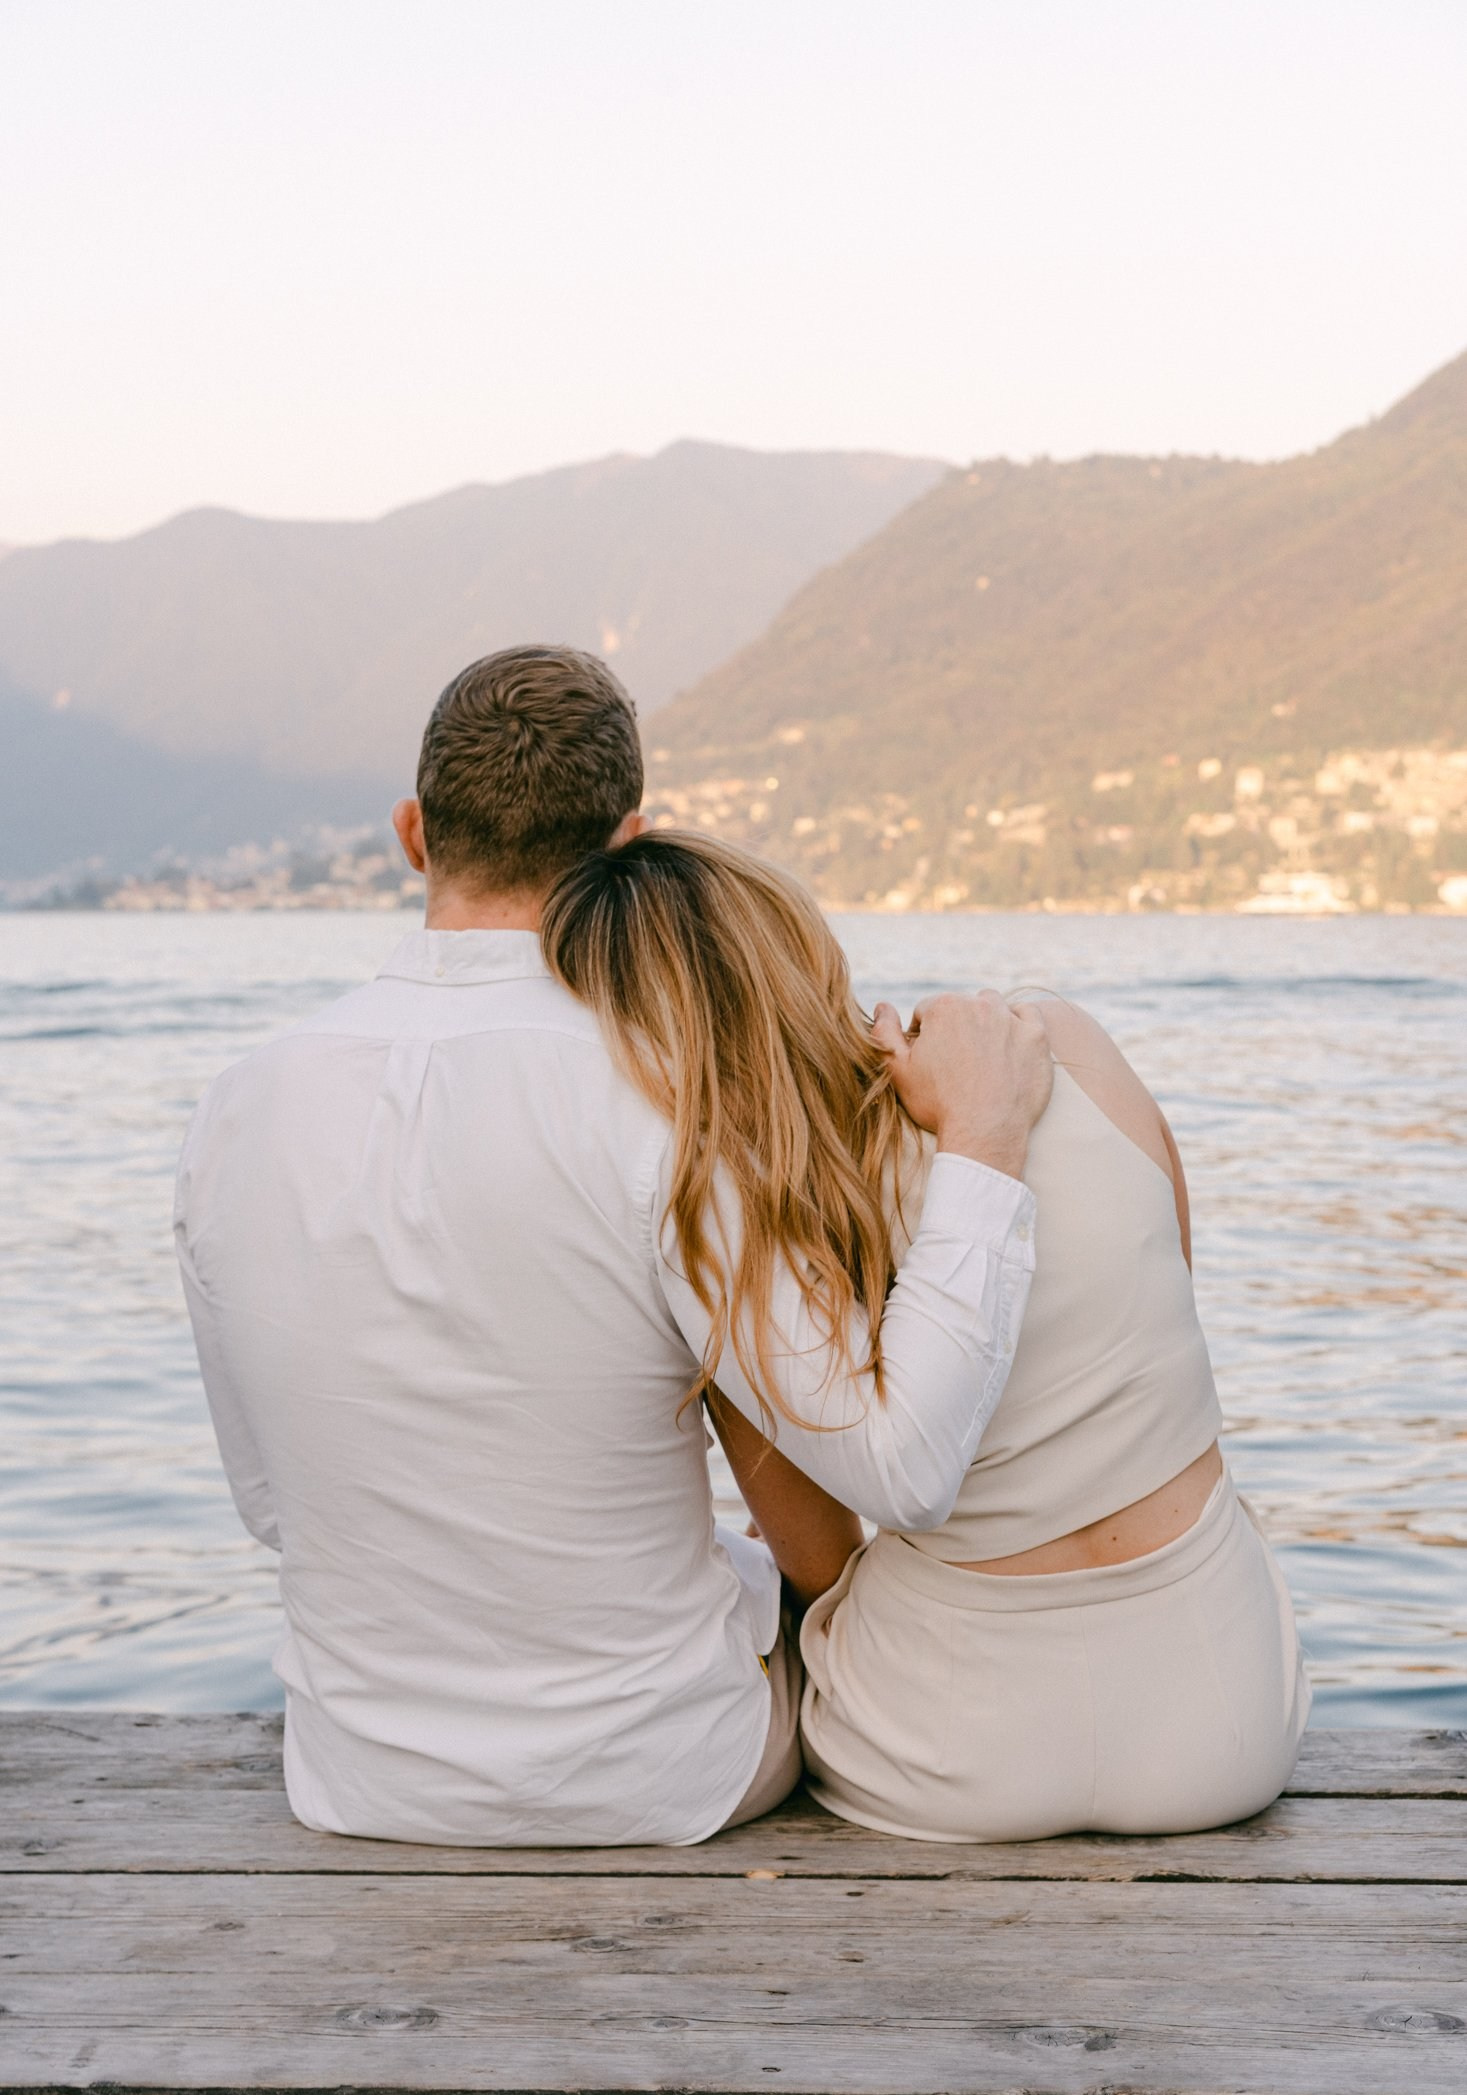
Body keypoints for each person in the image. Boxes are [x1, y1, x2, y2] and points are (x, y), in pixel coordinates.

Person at [174, 646, 1050, 1847]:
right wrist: (986, 1142)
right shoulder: (671, 1097)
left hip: (360, 1776)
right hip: (661, 1771)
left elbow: (272, 1504)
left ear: (413, 833)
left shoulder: (237, 1105)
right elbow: (902, 1468)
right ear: (627, 845)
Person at [542, 829, 1312, 1844]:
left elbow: (820, 1560)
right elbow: (1171, 1303)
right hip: (1226, 1722)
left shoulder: (735, 1229)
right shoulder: (1053, 1042)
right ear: (802, 940)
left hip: (952, 1753)